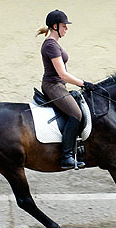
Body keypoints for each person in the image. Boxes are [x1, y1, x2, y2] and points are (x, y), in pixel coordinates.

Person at [36, 9, 96, 170]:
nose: (66, 29)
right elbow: (62, 74)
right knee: (76, 114)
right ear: (55, 26)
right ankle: (67, 157)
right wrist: (83, 83)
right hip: (53, 86)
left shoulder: (54, 44)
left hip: (59, 85)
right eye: (64, 26)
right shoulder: (50, 45)